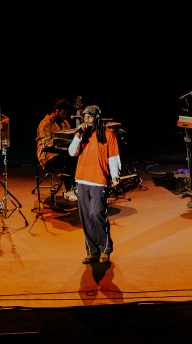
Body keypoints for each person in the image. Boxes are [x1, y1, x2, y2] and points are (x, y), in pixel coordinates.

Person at [68, 104, 121, 265]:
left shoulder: (108, 134)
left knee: (97, 214)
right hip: (82, 178)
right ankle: (92, 251)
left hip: (99, 179)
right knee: (86, 218)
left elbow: (113, 156)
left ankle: (105, 249)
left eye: (89, 117)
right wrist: (77, 136)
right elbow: (71, 152)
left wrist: (115, 175)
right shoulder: (83, 134)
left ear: (97, 118)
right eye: (84, 117)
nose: (86, 120)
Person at [37, 98, 77, 201]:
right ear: (57, 111)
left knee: (76, 156)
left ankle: (74, 186)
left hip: (62, 153)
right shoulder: (45, 123)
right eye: (64, 112)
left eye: (67, 113)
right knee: (68, 159)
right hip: (48, 155)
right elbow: (46, 143)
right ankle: (69, 189)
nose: (65, 115)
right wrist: (61, 143)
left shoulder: (65, 123)